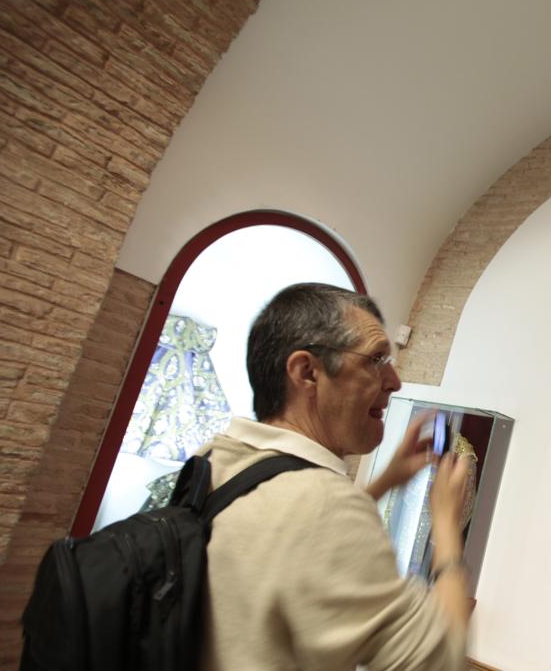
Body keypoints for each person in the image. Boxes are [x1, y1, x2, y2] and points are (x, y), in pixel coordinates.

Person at [197, 282, 471, 670]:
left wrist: (385, 482)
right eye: (376, 359)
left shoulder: (215, 457)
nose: (394, 381)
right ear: (307, 372)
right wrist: (445, 526)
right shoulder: (323, 504)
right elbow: (440, 660)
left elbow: (291, 531)